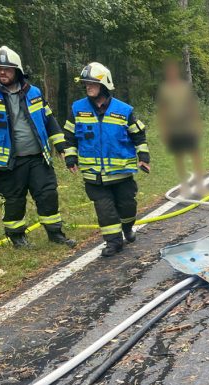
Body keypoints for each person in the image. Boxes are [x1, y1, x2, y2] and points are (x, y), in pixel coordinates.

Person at [0, 46, 75, 248]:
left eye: (7, 68)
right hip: (7, 162)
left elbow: (49, 120)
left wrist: (61, 146)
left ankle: (55, 234)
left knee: (48, 194)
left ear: (18, 70)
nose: (2, 72)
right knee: (15, 200)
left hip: (38, 158)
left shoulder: (33, 92)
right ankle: (17, 238)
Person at [63, 62, 150, 257]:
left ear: (104, 85)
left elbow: (138, 135)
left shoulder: (124, 110)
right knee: (105, 210)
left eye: (92, 83)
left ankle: (127, 227)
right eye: (86, 83)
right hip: (94, 177)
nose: (88, 87)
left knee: (127, 208)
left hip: (122, 175)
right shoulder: (77, 108)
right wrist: (70, 157)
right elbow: (68, 136)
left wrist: (143, 156)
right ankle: (114, 242)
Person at [157, 59, 204, 198]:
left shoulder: (185, 87)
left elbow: (192, 107)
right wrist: (164, 130)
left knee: (195, 155)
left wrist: (197, 124)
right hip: (174, 130)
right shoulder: (164, 89)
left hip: (188, 128)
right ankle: (184, 186)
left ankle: (200, 186)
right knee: (179, 157)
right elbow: (162, 112)